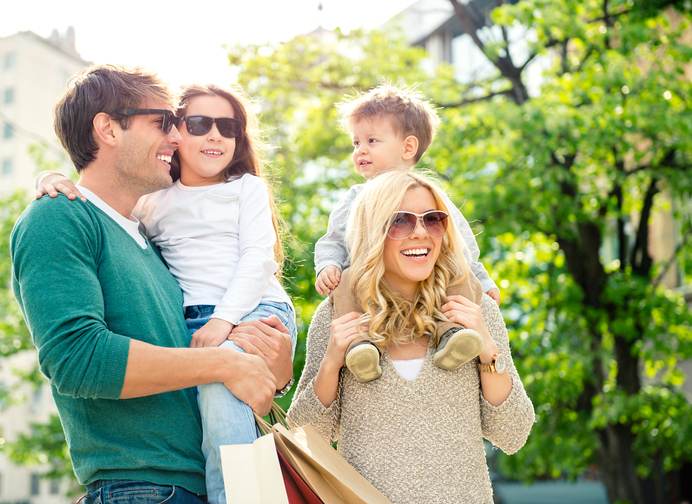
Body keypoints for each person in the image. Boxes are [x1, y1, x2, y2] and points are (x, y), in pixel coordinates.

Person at [14, 65, 294, 503]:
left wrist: (272, 367)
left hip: (209, 482)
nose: (177, 137)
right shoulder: (59, 217)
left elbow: (201, 360)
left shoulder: (151, 235)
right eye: (163, 122)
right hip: (144, 488)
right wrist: (224, 364)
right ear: (107, 128)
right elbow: (78, 360)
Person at [288, 171, 534, 504]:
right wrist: (332, 362)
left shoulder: (474, 310)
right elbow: (306, 439)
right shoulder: (336, 315)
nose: (420, 232)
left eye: (433, 220)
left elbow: (513, 433)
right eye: (400, 221)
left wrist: (488, 350)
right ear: (373, 231)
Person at [314, 84, 499, 383]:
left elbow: (461, 245)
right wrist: (328, 265)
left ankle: (453, 334)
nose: (360, 149)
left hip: (426, 283)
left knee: (459, 272)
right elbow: (332, 241)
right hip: (373, 285)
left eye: (372, 140)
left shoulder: (429, 196)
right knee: (346, 281)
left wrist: (483, 279)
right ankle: (362, 346)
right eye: (355, 142)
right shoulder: (355, 198)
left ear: (408, 147)